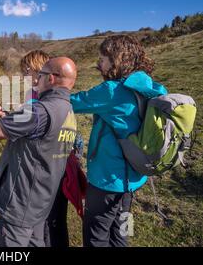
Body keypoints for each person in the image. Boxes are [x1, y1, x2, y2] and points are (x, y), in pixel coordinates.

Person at [0, 57, 78, 247]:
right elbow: (34, 131)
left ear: (51, 78)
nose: (36, 80)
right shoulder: (67, 110)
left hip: (20, 203)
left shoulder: (39, 111)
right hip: (42, 201)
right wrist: (3, 115)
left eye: (40, 75)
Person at [70, 35, 168, 247]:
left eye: (103, 57)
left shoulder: (112, 90)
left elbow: (72, 103)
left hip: (107, 178)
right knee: (121, 229)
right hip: (133, 177)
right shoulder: (147, 86)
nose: (99, 62)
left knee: (96, 232)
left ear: (117, 59)